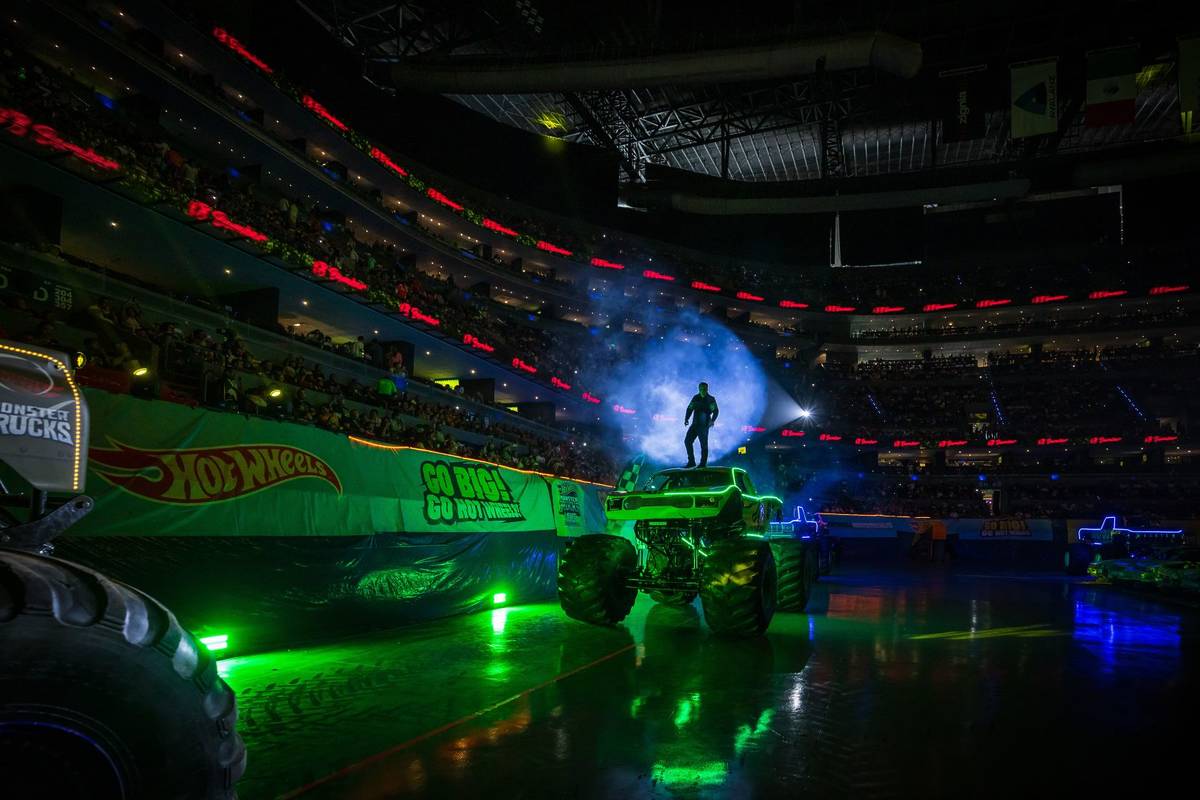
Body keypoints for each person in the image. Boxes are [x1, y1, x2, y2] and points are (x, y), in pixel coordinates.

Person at [684, 381, 719, 468]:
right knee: (687, 441)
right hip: (695, 424)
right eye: (701, 389)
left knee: (703, 445)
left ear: (707, 389)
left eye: (704, 389)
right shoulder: (696, 398)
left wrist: (712, 421)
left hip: (704, 426)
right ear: (699, 389)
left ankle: (703, 463)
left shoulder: (710, 399)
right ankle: (691, 461)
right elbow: (689, 408)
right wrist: (686, 418)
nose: (702, 390)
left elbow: (716, 411)